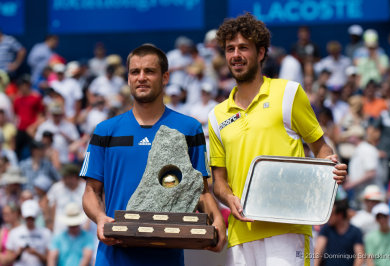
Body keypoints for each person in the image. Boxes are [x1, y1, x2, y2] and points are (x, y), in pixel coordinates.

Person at [208, 13, 347, 265]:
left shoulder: (289, 93)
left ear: (261, 53)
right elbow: (219, 182)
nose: (235, 55)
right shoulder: (216, 115)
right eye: (230, 49)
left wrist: (331, 168)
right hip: (240, 235)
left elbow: (321, 148)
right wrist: (229, 199)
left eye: (243, 48)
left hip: (288, 230)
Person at [80, 44, 226, 266]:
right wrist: (100, 219)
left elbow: (201, 191)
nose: (141, 78)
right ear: (128, 78)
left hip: (167, 257)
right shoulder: (105, 131)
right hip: (114, 256)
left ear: (165, 77)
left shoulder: (189, 128)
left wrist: (218, 221)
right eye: (135, 72)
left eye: (149, 71)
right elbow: (91, 192)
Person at [314, 199, 364, 266]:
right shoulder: (326, 229)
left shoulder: (356, 232)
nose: (328, 218)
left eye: (331, 214)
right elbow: (318, 252)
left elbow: (359, 256)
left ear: (340, 215)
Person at [5, 199, 51, 266]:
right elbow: (6, 260)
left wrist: (36, 253)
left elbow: (50, 259)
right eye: (27, 218)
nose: (29, 220)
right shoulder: (14, 233)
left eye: (31, 218)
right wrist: (18, 253)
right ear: (23, 217)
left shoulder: (46, 233)